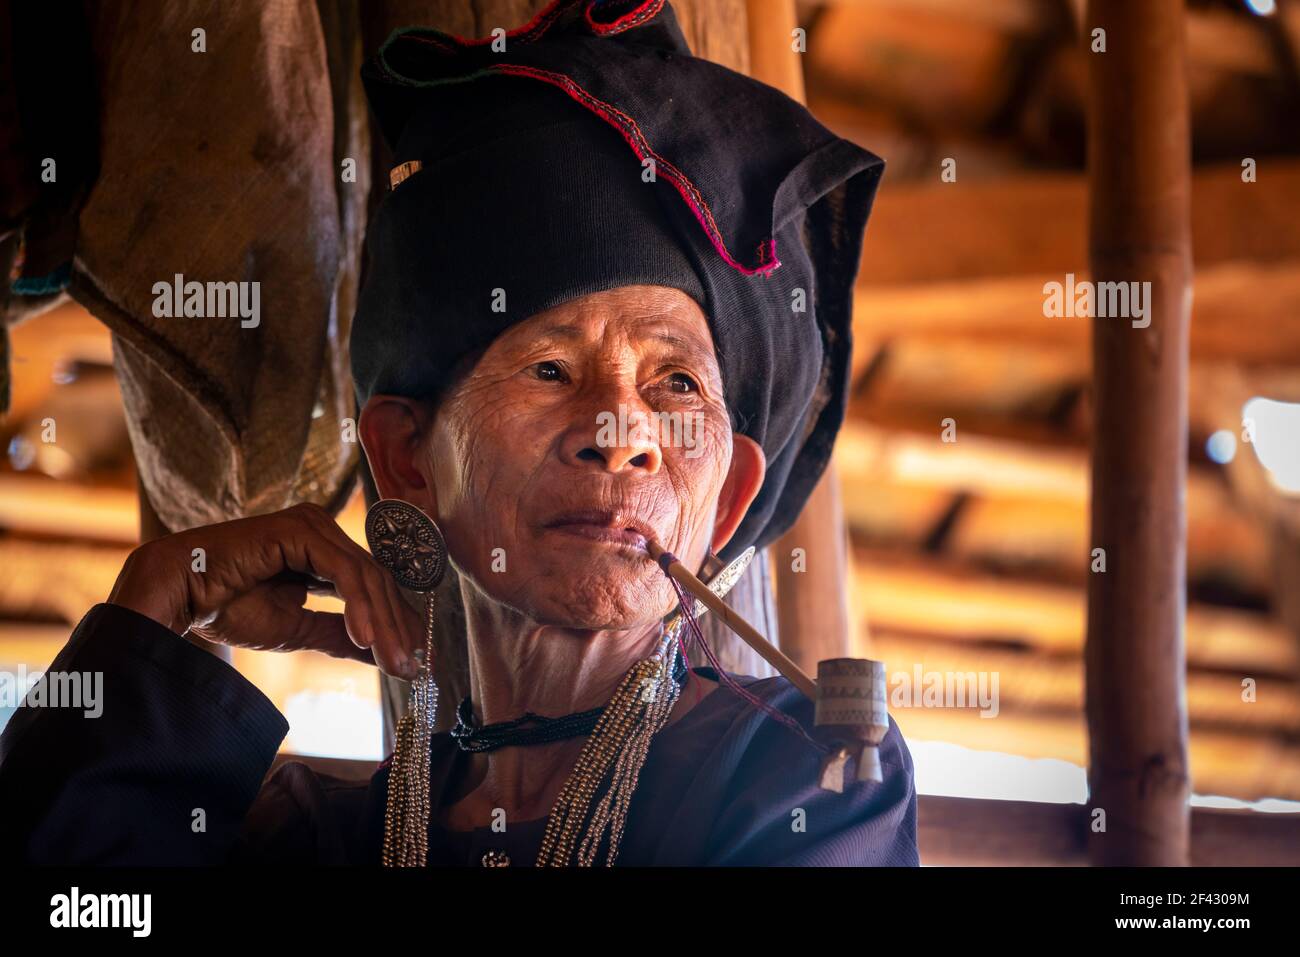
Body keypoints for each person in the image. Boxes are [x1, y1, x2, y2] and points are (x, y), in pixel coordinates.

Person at [0, 0, 915, 866]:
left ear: (728, 501)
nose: (620, 430)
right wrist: (155, 601)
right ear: (408, 461)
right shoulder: (328, 841)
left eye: (676, 382)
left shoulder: (813, 780)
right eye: (550, 369)